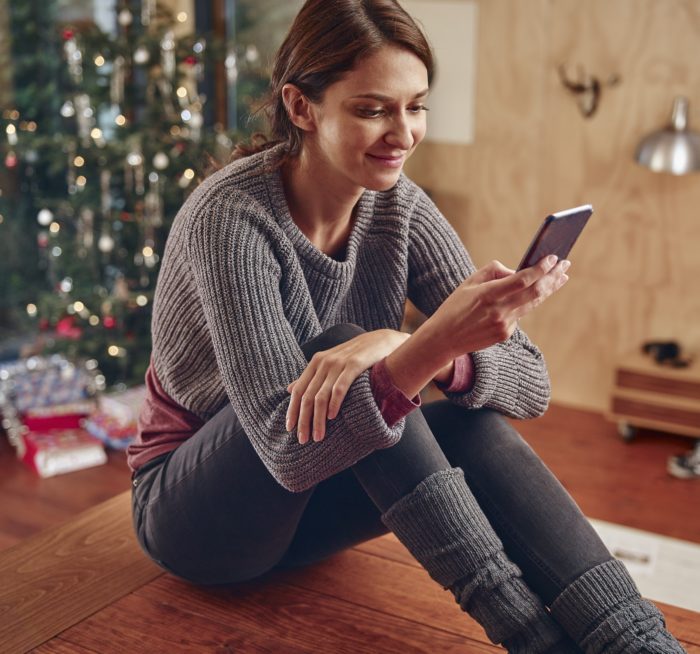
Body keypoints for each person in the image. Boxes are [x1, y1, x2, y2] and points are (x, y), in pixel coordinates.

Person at [128, 1, 685, 651]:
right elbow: (286, 452)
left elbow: (530, 386)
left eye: (415, 105)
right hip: (198, 517)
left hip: (310, 509)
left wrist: (427, 350)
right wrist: (429, 344)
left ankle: (639, 641)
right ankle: (533, 639)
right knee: (341, 351)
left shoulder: (401, 209)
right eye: (372, 109)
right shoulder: (230, 220)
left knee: (466, 419)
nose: (404, 132)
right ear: (302, 108)